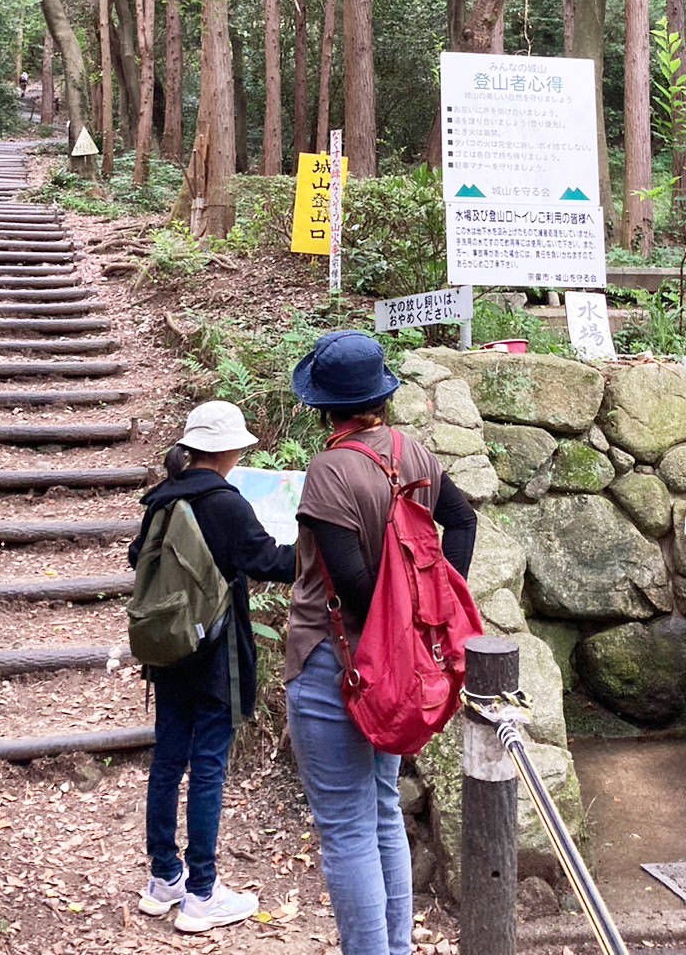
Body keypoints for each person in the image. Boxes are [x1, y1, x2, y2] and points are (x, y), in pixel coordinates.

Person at [285, 332, 478, 955]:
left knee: (345, 828)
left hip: (334, 666)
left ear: (324, 407)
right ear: (381, 396)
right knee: (384, 809)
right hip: (402, 669)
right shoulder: (412, 452)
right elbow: (464, 519)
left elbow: (355, 587)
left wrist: (385, 633)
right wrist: (428, 616)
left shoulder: (329, 472)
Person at [129, 400, 296, 932]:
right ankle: (202, 891)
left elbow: (138, 558)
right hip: (216, 650)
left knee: (167, 759)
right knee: (208, 767)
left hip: (169, 645)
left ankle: (164, 879)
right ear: (227, 451)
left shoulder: (161, 497)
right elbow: (270, 562)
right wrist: (316, 544)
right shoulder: (226, 502)